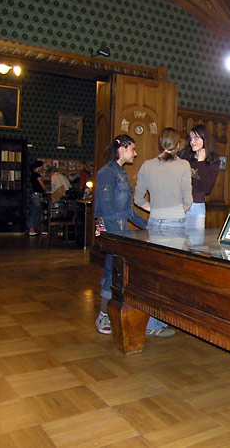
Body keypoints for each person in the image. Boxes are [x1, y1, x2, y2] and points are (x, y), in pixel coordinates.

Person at [94, 135, 149, 336]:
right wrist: (114, 237)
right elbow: (104, 207)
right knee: (111, 271)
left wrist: (149, 225)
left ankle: (116, 311)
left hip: (121, 231)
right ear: (122, 149)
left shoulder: (122, 174)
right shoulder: (107, 172)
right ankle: (102, 315)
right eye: (132, 149)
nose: (135, 153)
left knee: (118, 272)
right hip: (113, 231)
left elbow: (129, 212)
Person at [134, 127, 193, 232]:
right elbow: (188, 201)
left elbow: (138, 199)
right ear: (178, 145)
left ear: (160, 144)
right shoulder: (183, 165)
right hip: (176, 222)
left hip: (154, 220)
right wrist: (177, 212)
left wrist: (155, 210)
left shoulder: (147, 165)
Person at [180, 124, 220, 230]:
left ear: (205, 139)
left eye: (196, 138)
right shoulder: (184, 156)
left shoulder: (212, 161)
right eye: (191, 138)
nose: (192, 142)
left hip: (196, 206)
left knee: (195, 243)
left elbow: (207, 188)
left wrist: (201, 162)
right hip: (179, 204)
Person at [27, 160, 47, 236]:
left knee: (36, 211)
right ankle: (33, 228)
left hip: (34, 194)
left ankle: (36, 228)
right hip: (37, 195)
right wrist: (45, 189)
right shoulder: (37, 175)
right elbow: (42, 186)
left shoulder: (32, 175)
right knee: (36, 211)